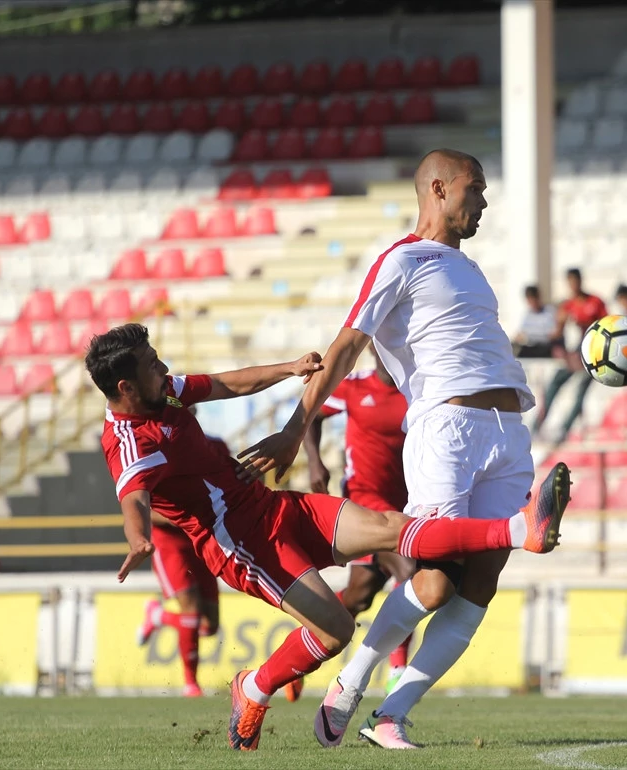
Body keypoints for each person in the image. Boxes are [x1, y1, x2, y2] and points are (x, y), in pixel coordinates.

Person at [87, 322, 568, 752]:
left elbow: (223, 384)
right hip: (244, 544)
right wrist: (138, 537)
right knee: (336, 630)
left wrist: (290, 368)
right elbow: (133, 495)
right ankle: (254, 687)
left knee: (392, 528)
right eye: (153, 364)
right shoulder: (129, 441)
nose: (164, 367)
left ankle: (519, 528)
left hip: (276, 506)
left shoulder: (163, 392)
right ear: (125, 386)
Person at [238, 149, 571, 750]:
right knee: (436, 581)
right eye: (476, 188)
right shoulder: (402, 259)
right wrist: (295, 429)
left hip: (508, 428)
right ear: (439, 189)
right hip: (448, 426)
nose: (485, 201)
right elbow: (345, 347)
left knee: (482, 582)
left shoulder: (469, 269)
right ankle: (349, 684)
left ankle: (391, 715)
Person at [303, 347, 416, 696]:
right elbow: (310, 413)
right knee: (410, 570)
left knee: (358, 598)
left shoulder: (417, 390)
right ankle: (397, 671)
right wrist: (314, 462)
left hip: (406, 503)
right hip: (364, 501)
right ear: (373, 349)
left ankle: (298, 656)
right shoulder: (352, 387)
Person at [135, 406, 226, 698]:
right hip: (170, 542)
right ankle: (191, 684)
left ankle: (159, 615)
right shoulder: (153, 450)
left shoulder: (215, 447)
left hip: (203, 540)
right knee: (191, 610)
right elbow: (142, 506)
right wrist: (184, 517)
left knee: (209, 626)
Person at [532, 268, 608, 442]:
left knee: (581, 391)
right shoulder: (567, 306)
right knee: (554, 385)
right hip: (573, 356)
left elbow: (605, 327)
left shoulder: (595, 302)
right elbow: (558, 332)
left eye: (575, 281)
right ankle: (537, 425)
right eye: (570, 282)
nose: (573, 285)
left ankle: (564, 430)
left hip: (592, 358)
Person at [513, 285, 560, 359]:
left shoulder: (550, 312)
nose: (532, 303)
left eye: (533, 299)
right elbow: (521, 334)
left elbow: (554, 334)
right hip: (530, 349)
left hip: (546, 349)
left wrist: (532, 337)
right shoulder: (527, 315)